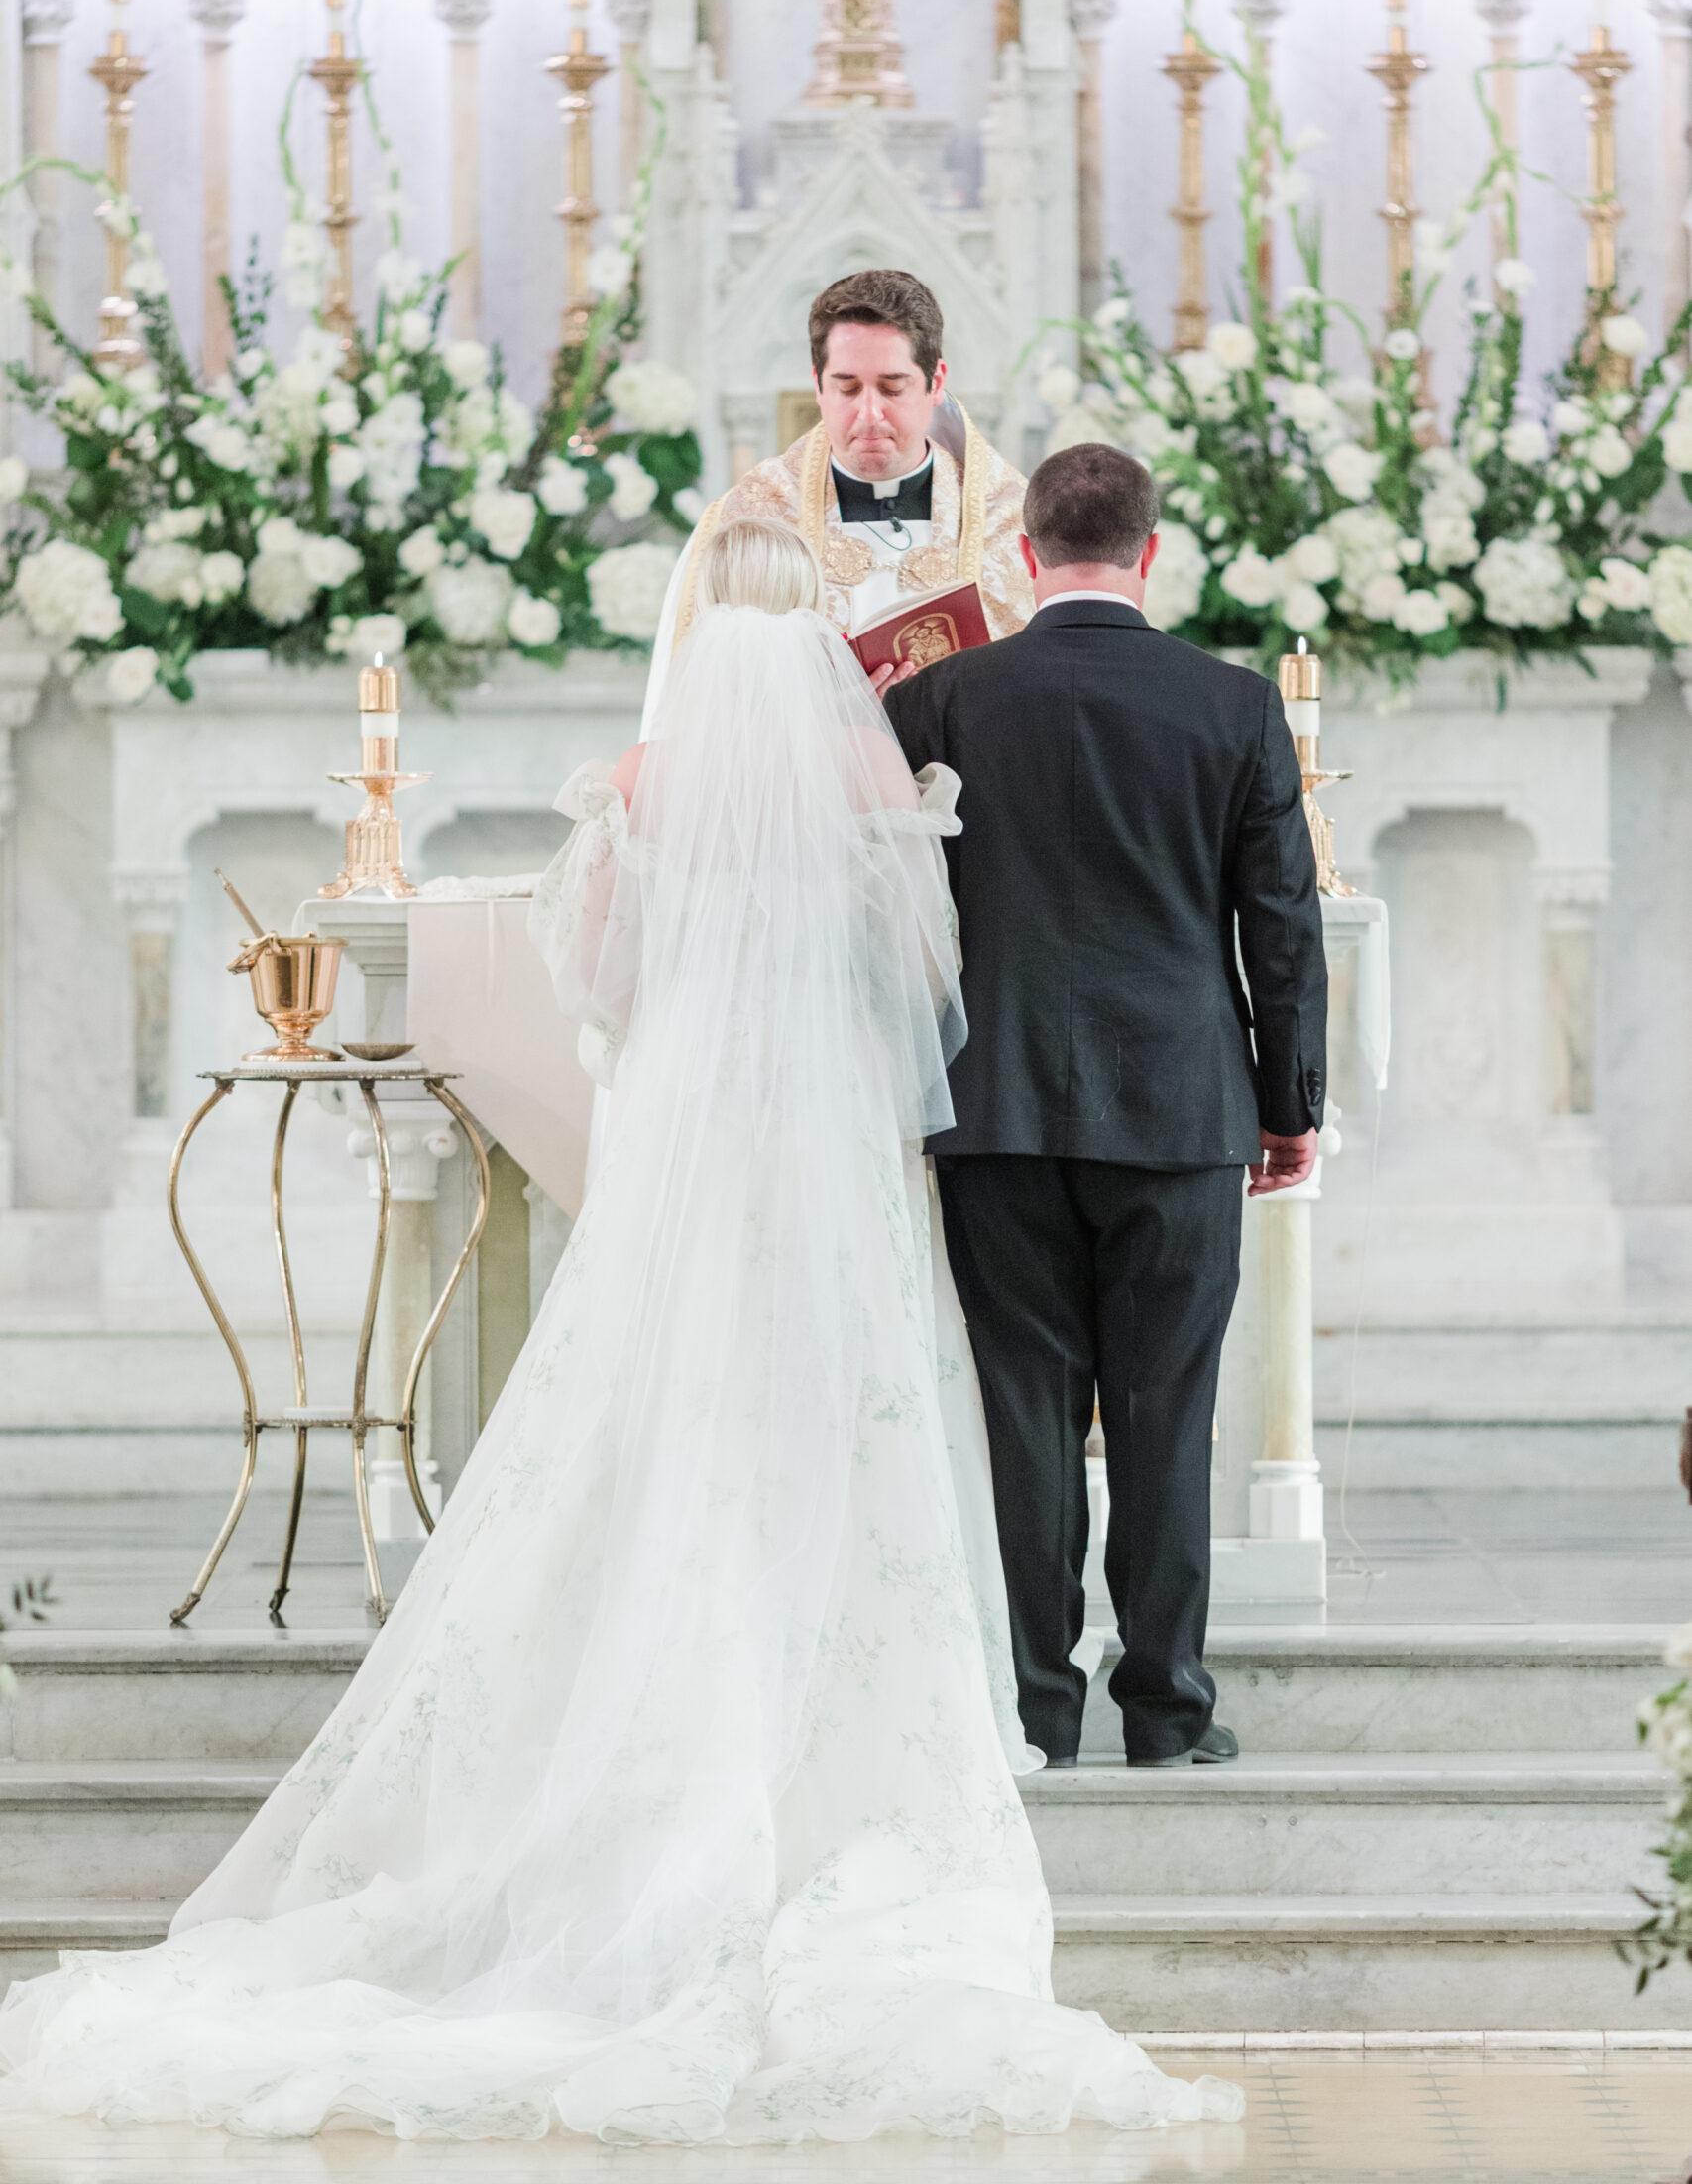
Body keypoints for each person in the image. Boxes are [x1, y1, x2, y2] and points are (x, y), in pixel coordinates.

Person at [0, 517, 1241, 2149]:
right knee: (842, 1440)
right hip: (831, 1171)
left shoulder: (639, 788)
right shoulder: (881, 789)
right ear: (813, 639)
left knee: (662, 1436)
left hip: (691, 1160)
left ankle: (634, 1750)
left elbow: (596, 987)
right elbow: (925, 985)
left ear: (692, 630)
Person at [883, 445, 1329, 1773]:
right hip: (1181, 1104)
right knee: (1162, 1408)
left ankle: (1033, 1708)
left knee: (1021, 1407)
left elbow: (887, 914)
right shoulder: (1233, 704)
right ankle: (1165, 1708)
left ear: (1020, 558)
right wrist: (1285, 1100)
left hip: (996, 1101)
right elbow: (1281, 922)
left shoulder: (941, 702)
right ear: (1148, 554)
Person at [639, 269, 1031, 730]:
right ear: (818, 385)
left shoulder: (1011, 520)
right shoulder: (748, 520)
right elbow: (694, 713)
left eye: (892, 387)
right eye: (846, 387)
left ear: (935, 380)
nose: (868, 413)